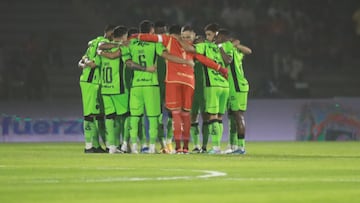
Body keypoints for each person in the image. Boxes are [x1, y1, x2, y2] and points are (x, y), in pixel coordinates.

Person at [135, 24, 228, 154]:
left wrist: (135, 36)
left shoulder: (170, 42)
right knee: (185, 115)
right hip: (189, 82)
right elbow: (205, 60)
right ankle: (184, 147)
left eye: (187, 37)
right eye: (184, 37)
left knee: (176, 115)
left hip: (172, 81)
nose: (185, 39)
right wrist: (221, 69)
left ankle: (178, 146)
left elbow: (154, 38)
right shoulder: (192, 48)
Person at [124, 20, 194, 154]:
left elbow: (126, 60)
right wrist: (185, 61)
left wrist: (131, 38)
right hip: (156, 83)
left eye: (163, 31)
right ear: (153, 31)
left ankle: (162, 143)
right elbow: (168, 55)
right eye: (159, 31)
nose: (161, 33)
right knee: (155, 117)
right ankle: (153, 145)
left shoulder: (134, 43)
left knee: (143, 116)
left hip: (151, 83)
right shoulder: (157, 42)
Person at [96, 25, 156, 154]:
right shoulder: (123, 47)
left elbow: (101, 46)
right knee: (128, 115)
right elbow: (114, 57)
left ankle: (111, 146)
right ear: (124, 36)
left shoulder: (103, 47)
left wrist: (101, 52)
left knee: (110, 117)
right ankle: (124, 145)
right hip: (119, 87)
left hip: (105, 88)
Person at [78, 24, 115, 153]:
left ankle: (96, 146)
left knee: (98, 114)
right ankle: (89, 146)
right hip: (91, 82)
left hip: (94, 82)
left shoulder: (93, 42)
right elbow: (94, 64)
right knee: (89, 114)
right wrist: (89, 63)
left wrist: (86, 62)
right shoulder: (104, 44)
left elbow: (80, 62)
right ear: (109, 33)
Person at [215, 29, 252, 154]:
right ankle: (232, 146)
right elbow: (248, 51)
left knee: (238, 115)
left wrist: (222, 47)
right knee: (232, 117)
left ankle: (241, 147)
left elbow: (227, 61)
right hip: (232, 88)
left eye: (218, 37)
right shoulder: (234, 49)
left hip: (237, 87)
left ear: (223, 37)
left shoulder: (227, 48)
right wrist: (235, 44)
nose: (216, 39)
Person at [196, 24, 231, 154]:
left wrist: (196, 41)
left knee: (212, 116)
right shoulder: (224, 47)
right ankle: (218, 146)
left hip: (212, 86)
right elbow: (228, 61)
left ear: (216, 34)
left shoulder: (204, 46)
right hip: (225, 86)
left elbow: (191, 50)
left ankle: (216, 147)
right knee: (220, 118)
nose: (207, 37)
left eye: (209, 34)